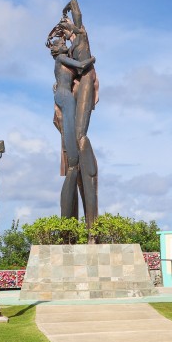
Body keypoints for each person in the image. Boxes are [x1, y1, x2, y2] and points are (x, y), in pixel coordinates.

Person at [47, 26, 95, 220]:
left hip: (65, 94)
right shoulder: (60, 59)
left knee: (72, 135)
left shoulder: (61, 61)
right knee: (72, 147)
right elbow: (81, 66)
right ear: (57, 50)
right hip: (65, 97)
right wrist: (92, 60)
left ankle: (73, 158)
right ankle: (72, 158)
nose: (63, 43)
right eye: (61, 43)